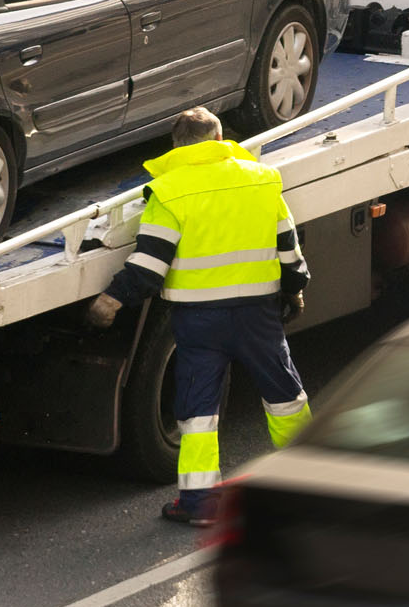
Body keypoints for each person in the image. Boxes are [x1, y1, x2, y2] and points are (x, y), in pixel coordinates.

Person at [86, 107, 311, 525]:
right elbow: (289, 250)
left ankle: (199, 503)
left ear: (177, 145)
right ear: (220, 138)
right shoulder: (261, 179)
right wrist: (295, 291)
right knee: (285, 395)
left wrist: (110, 302)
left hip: (198, 322)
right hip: (257, 315)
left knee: (198, 411)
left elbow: (149, 266)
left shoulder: (168, 192)